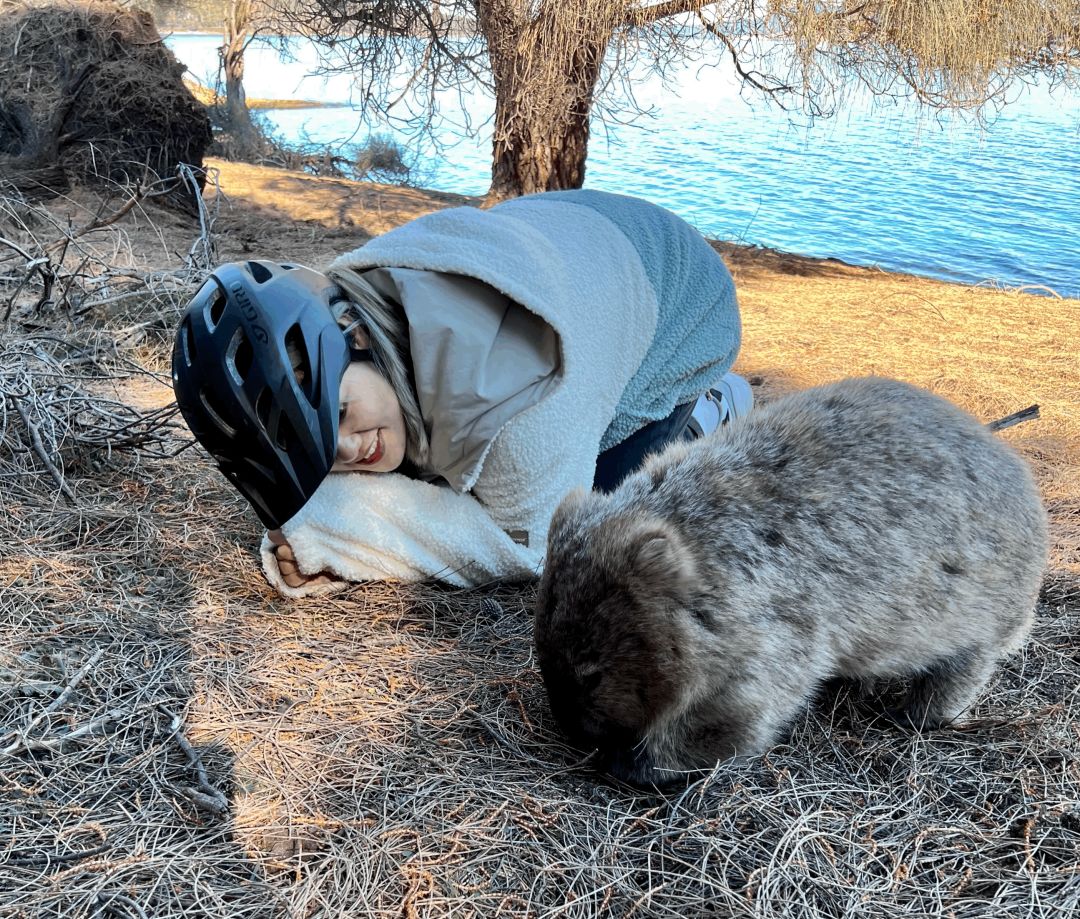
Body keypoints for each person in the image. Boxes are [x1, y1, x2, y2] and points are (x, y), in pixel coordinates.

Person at [171, 189, 751, 596]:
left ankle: (707, 409)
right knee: (436, 459)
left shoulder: (524, 404)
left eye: (339, 414)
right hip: (570, 236)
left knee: (599, 513)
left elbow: (534, 544)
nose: (345, 451)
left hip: (680, 300)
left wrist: (333, 529)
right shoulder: (349, 303)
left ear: (354, 333)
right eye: (317, 445)